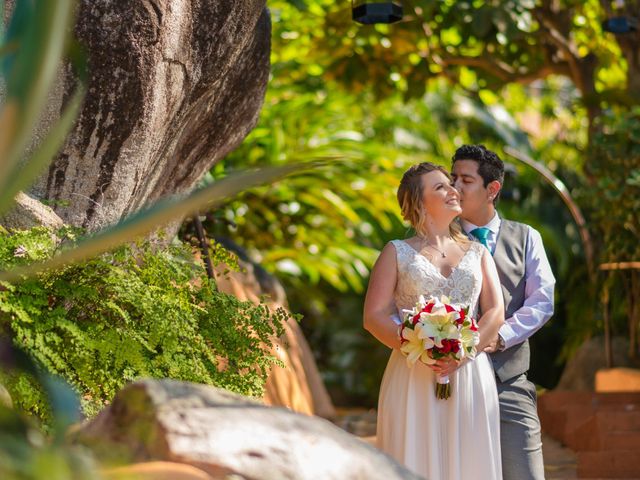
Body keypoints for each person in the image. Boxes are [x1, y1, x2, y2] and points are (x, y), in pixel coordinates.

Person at [363, 162, 505, 479]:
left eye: (451, 184)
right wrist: (421, 348)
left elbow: (495, 311)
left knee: (470, 459)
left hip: (470, 372)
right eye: (441, 186)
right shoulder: (395, 252)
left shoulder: (478, 251)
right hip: (412, 371)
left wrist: (462, 354)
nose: (453, 190)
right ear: (418, 201)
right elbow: (373, 316)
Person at [451, 144, 555, 480]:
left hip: (509, 382)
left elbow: (542, 301)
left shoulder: (527, 238)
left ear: (492, 189)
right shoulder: (438, 239)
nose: (454, 187)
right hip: (451, 383)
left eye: (465, 180)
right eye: (452, 177)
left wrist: (500, 337)